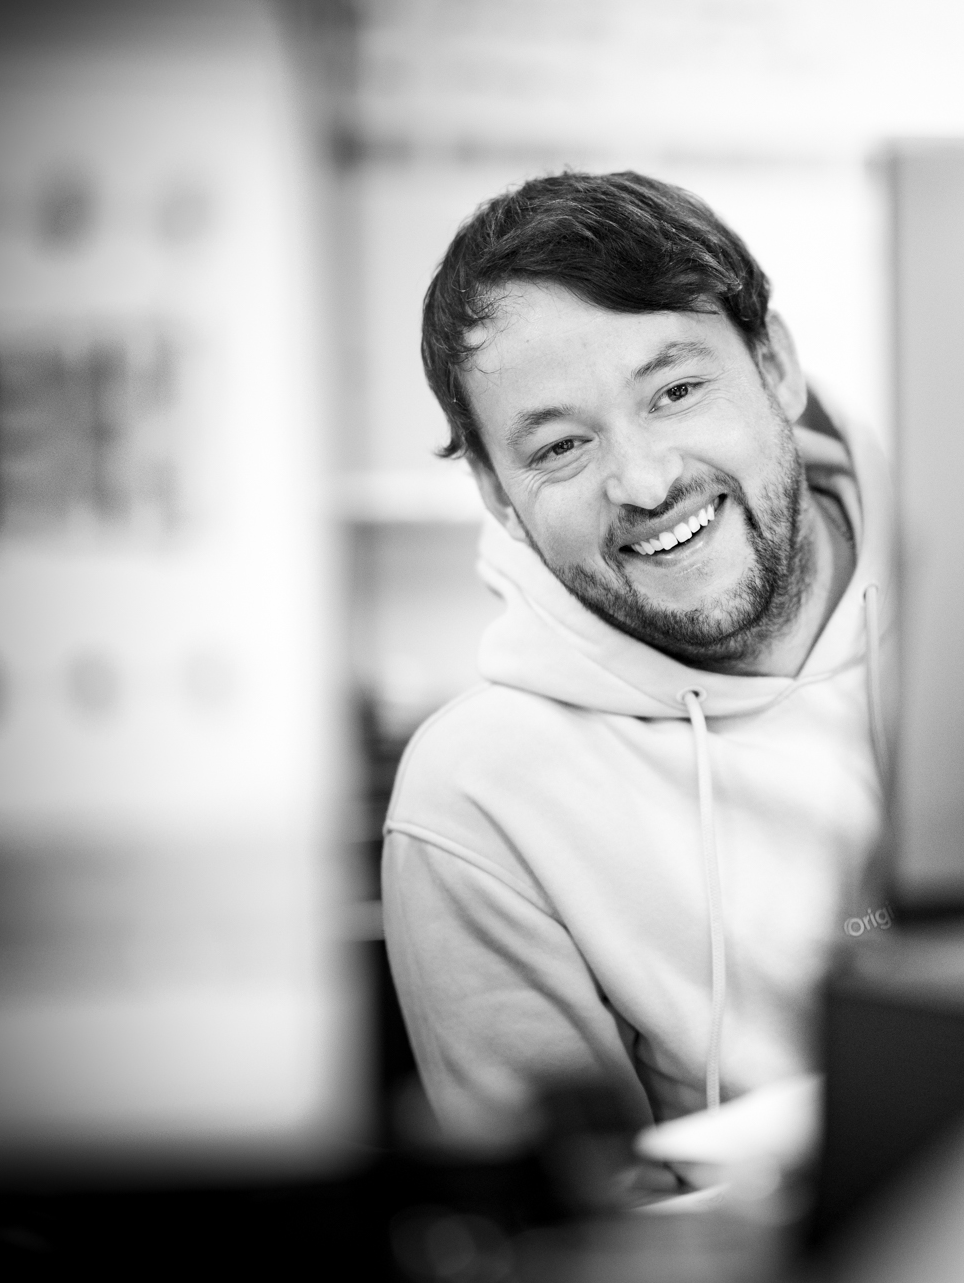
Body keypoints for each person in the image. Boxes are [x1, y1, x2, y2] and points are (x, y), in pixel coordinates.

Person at [381, 171, 892, 1154]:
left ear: (776, 366)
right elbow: (580, 1215)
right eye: (561, 448)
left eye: (676, 392)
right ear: (495, 491)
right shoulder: (477, 796)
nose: (646, 483)